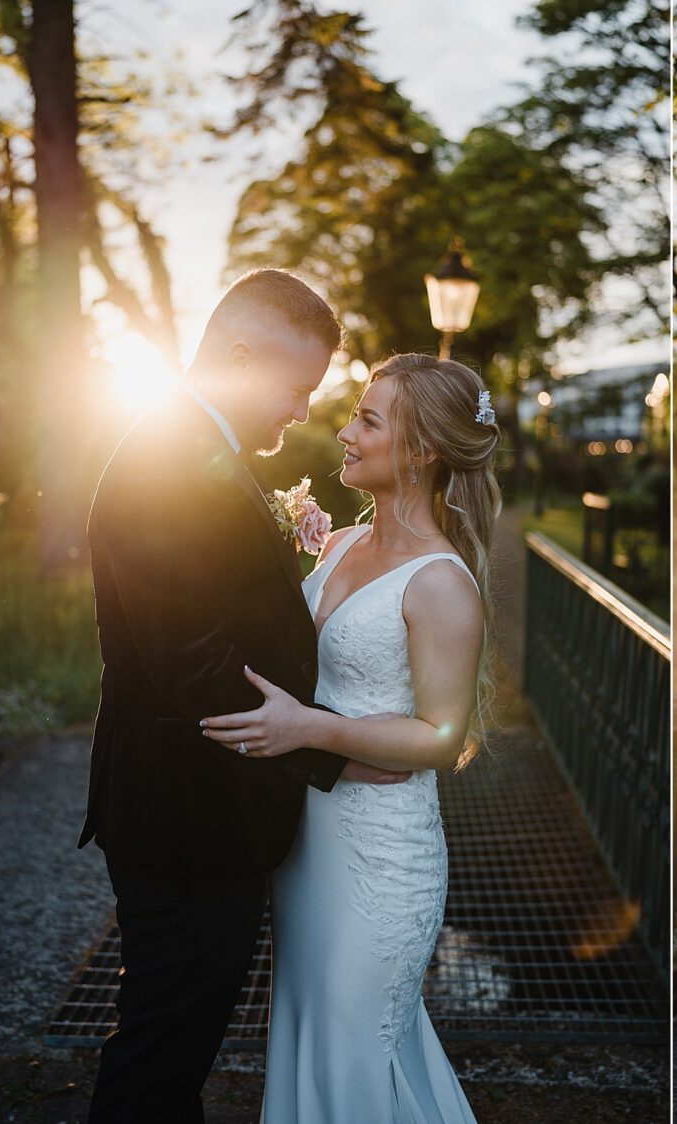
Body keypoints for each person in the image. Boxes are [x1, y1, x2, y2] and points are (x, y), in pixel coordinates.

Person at [82, 269, 409, 1123]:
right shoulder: (167, 459)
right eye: (296, 386)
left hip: (202, 815)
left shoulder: (197, 448)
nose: (301, 410)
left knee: (173, 1048)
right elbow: (195, 666)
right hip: (186, 818)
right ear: (237, 355)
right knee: (160, 1051)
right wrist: (343, 744)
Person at [200, 353, 499, 1122]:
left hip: (381, 859)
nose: (344, 432)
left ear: (423, 449)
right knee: (308, 1035)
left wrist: (309, 730)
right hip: (308, 844)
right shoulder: (334, 547)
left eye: (368, 420)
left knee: (356, 1048)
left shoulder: (441, 583)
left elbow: (441, 737)